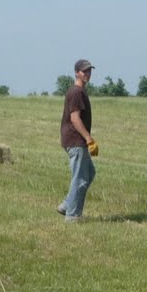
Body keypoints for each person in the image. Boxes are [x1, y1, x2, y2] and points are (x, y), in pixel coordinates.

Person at [57, 59, 97, 221]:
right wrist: (88, 138)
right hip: (75, 140)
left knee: (88, 173)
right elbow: (75, 118)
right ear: (76, 72)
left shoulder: (80, 91)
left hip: (76, 140)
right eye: (84, 71)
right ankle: (72, 216)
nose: (87, 74)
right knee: (80, 178)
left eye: (89, 71)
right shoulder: (76, 92)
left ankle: (67, 205)